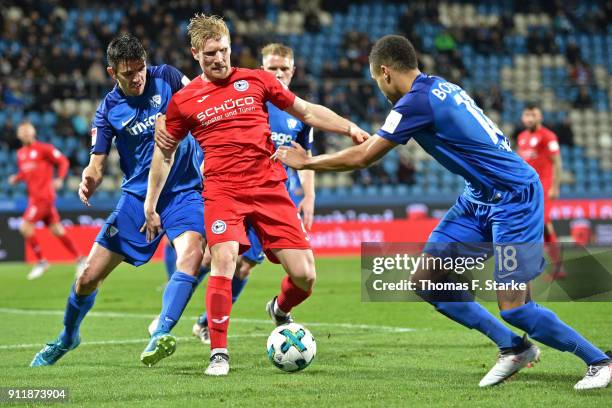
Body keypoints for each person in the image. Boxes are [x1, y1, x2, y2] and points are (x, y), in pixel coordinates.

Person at [277, 35, 611, 391]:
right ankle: (514, 347)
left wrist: (308, 161)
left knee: (516, 307)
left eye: (376, 81)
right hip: (477, 198)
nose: (379, 88)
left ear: (386, 73)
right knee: (427, 280)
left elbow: (363, 157)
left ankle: (599, 361)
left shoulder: (414, 102)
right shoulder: (439, 86)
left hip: (514, 198)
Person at [149, 14, 368, 376]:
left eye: (223, 51)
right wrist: (151, 202)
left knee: (305, 276)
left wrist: (349, 127)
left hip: (269, 188)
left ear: (231, 46)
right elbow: (165, 152)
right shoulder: (184, 101)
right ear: (194, 54)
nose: (219, 59)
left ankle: (279, 309)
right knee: (224, 260)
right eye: (209, 55)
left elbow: (306, 110)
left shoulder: (257, 80)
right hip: (223, 192)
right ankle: (219, 352)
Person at [30, 34, 206, 368]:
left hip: (184, 191)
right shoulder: (108, 110)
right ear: (113, 73)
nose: (138, 77)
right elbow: (97, 163)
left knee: (192, 255)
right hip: (137, 199)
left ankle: (161, 334)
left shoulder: (167, 76)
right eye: (129, 73)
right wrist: (90, 178)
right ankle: (68, 336)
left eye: (140, 69)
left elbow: (201, 105)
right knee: (86, 278)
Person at [167, 42, 317, 344]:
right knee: (214, 258)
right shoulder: (250, 96)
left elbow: (306, 157)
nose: (278, 73)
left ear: (293, 71)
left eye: (283, 69)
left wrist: (309, 197)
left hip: (271, 195)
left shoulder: (296, 112)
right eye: (272, 68)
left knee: (245, 266)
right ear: (263, 70)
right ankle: (172, 312)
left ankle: (207, 323)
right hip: (230, 192)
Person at [9, 121, 84, 280]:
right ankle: (80, 258)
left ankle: (41, 261)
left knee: (24, 226)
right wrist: (17, 178)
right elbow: (25, 172)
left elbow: (63, 161)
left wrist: (60, 179)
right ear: (18, 135)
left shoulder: (44, 148)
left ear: (34, 131)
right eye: (22, 131)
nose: (26, 133)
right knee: (57, 230)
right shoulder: (21, 154)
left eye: (28, 130)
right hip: (34, 198)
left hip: (43, 197)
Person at [517, 104, 565, 280]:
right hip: (526, 189)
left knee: (543, 223)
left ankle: (557, 266)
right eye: (527, 114)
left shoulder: (548, 136)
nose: (530, 118)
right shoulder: (522, 137)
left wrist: (555, 186)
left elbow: (557, 163)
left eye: (533, 115)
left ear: (540, 117)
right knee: (534, 224)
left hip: (544, 187)